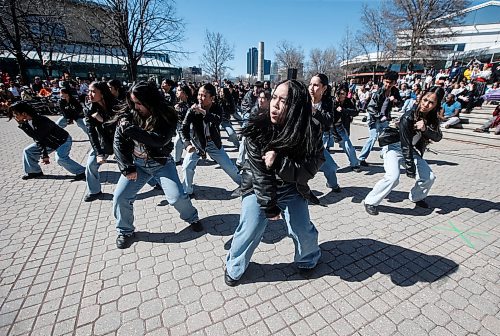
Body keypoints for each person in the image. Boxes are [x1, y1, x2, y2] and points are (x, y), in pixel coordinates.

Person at [225, 80, 324, 286]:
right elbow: (259, 173)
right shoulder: (257, 127)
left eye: (283, 101)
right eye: (274, 98)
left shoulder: (310, 130)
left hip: (293, 187)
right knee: (249, 227)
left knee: (302, 229)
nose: (275, 105)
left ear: (296, 106)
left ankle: (308, 259)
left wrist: (280, 161)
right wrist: (269, 206)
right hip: (257, 187)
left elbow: (309, 170)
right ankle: (234, 266)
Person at [112, 81, 202, 249]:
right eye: (133, 102)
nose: (135, 106)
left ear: (149, 100)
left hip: (160, 162)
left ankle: (192, 217)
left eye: (139, 103)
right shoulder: (129, 113)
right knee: (120, 197)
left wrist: (132, 130)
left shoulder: (166, 113)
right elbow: (118, 141)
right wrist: (126, 167)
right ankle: (125, 231)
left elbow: (159, 140)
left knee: (176, 198)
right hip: (136, 164)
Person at [364, 86, 445, 215]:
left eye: (431, 103)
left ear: (436, 105)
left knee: (429, 177)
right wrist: (410, 168)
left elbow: (438, 137)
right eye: (425, 100)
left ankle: (417, 197)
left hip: (410, 150)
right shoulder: (408, 116)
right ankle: (370, 201)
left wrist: (425, 129)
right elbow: (405, 144)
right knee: (393, 177)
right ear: (420, 99)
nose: (426, 104)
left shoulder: (432, 119)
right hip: (394, 148)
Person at [181, 83, 241, 196]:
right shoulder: (192, 110)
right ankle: (187, 191)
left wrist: (204, 113)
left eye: (203, 95)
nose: (200, 98)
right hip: (197, 144)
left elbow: (217, 120)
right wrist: (187, 143)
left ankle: (244, 185)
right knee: (187, 166)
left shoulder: (217, 107)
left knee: (229, 167)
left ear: (212, 98)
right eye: (199, 95)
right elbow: (183, 127)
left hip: (213, 143)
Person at [7, 101, 86, 180]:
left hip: (62, 141)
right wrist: (22, 125)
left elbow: (40, 139)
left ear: (24, 114)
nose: (15, 116)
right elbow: (36, 138)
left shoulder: (41, 120)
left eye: (16, 114)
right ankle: (34, 172)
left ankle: (82, 172)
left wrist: (44, 155)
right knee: (28, 151)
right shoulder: (27, 122)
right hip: (49, 142)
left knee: (60, 158)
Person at [83, 81, 121, 202]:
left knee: (138, 164)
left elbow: (120, 124)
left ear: (102, 93)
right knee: (91, 165)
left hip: (120, 140)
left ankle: (158, 183)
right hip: (103, 142)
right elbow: (91, 133)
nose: (90, 94)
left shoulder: (116, 104)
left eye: (93, 91)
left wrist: (103, 120)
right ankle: (95, 191)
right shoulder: (89, 109)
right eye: (89, 91)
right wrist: (99, 153)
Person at [358, 71, 401, 166]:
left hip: (384, 118)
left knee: (386, 137)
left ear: (394, 82)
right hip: (374, 118)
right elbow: (370, 107)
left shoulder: (395, 91)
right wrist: (380, 116)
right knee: (373, 137)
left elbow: (400, 104)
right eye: (386, 82)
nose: (388, 84)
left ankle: (384, 155)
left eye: (390, 82)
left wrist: (396, 100)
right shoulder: (379, 92)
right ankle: (361, 159)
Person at [309, 73, 341, 191]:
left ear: (324, 88)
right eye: (310, 84)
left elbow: (328, 121)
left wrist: (314, 111)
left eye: (316, 85)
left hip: (317, 144)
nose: (311, 88)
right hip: (301, 144)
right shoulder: (303, 100)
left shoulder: (327, 103)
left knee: (331, 167)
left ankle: (333, 185)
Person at [236, 90, 271, 170]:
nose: (260, 100)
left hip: (266, 136)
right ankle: (240, 163)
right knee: (244, 139)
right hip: (255, 134)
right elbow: (250, 124)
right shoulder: (255, 109)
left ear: (268, 100)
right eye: (259, 98)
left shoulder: (271, 111)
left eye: (263, 98)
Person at [331, 88, 361, 172]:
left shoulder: (348, 101)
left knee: (348, 144)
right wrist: (335, 135)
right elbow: (330, 120)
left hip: (341, 127)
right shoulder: (332, 102)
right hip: (328, 128)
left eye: (342, 94)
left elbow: (355, 112)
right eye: (339, 93)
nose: (340, 96)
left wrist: (344, 110)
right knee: (322, 147)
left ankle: (354, 164)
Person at [172, 85, 193, 165]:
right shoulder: (176, 103)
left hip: (192, 129)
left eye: (179, 90)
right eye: (176, 90)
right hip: (180, 130)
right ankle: (177, 161)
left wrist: (180, 112)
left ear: (184, 93)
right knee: (177, 143)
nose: (177, 91)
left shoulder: (191, 103)